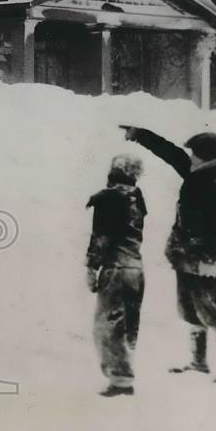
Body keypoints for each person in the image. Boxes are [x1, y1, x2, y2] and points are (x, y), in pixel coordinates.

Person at [120, 126, 216, 383]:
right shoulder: (197, 173)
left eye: (196, 153)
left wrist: (210, 259)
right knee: (189, 309)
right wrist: (141, 135)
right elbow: (171, 153)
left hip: (203, 258)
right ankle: (199, 362)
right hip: (184, 254)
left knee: (213, 310)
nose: (191, 157)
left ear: (206, 157)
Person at [86, 153, 147, 397]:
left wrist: (91, 267)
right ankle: (124, 373)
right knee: (128, 325)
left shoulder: (108, 198)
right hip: (136, 269)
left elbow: (101, 237)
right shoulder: (137, 198)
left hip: (116, 269)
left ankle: (121, 380)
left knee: (107, 326)